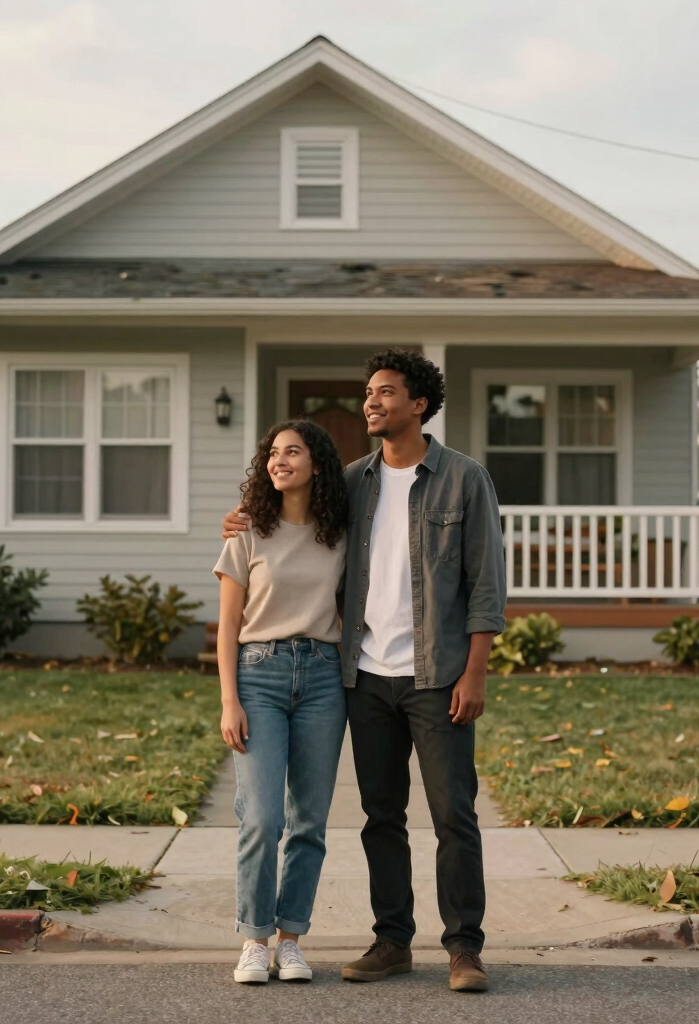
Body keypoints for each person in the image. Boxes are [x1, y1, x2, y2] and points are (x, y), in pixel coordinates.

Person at [224, 349, 506, 992]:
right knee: (382, 816)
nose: (371, 402)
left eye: (385, 392)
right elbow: (288, 514)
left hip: (439, 676)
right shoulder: (354, 481)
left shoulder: (465, 480)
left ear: (419, 404)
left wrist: (476, 672)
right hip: (364, 676)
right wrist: (238, 521)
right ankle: (392, 941)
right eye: (367, 393)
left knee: (452, 813)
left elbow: (487, 584)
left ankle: (464, 949)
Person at [214, 419, 349, 985]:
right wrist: (229, 700)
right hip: (258, 676)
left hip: (323, 678)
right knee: (262, 818)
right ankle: (254, 939)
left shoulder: (341, 532)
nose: (279, 460)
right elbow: (225, 627)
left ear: (316, 463)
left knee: (309, 821)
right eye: (273, 453)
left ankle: (290, 940)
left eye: (292, 452)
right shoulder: (246, 531)